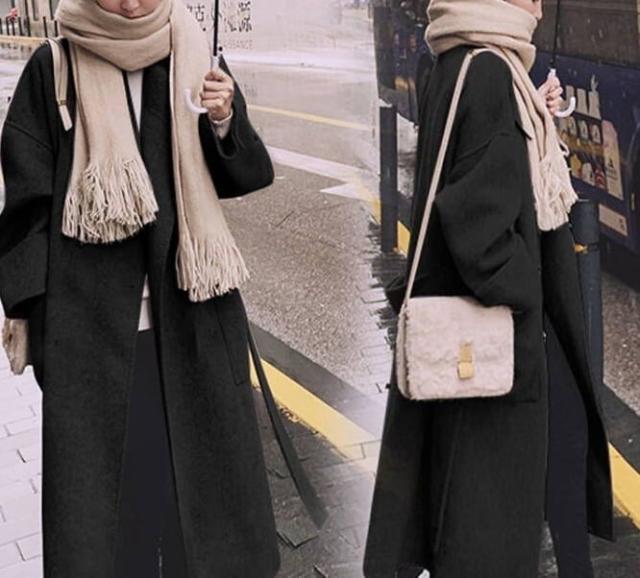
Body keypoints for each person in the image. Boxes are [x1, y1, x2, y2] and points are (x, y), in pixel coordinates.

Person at [0, 0, 280, 576]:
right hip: (94, 348)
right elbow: (25, 208)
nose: (130, 3)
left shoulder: (192, 54)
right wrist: (44, 326)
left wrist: (224, 120)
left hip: (193, 331)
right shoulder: (54, 65)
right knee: (113, 531)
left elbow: (246, 174)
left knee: (196, 525)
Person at [363, 1, 614, 577]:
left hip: (473, 348)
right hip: (495, 350)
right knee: (492, 530)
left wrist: (532, 122)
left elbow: (480, 165)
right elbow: (479, 230)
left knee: (499, 499)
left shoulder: (458, 59)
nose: (540, 4)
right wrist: (532, 296)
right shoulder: (490, 73)